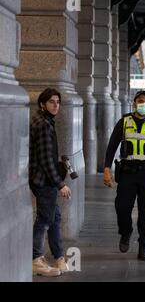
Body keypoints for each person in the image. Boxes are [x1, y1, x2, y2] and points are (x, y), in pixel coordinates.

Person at [103, 90, 145, 261]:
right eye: (140, 101)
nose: (143, 104)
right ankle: (125, 232)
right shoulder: (124, 122)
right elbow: (112, 146)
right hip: (127, 172)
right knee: (122, 208)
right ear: (134, 103)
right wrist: (106, 168)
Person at [30, 88, 72, 277]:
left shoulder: (44, 121)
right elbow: (46, 159)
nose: (56, 105)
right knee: (45, 220)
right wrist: (60, 184)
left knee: (54, 219)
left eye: (58, 102)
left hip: (44, 179)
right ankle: (36, 259)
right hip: (44, 180)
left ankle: (58, 257)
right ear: (42, 104)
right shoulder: (43, 124)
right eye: (51, 102)